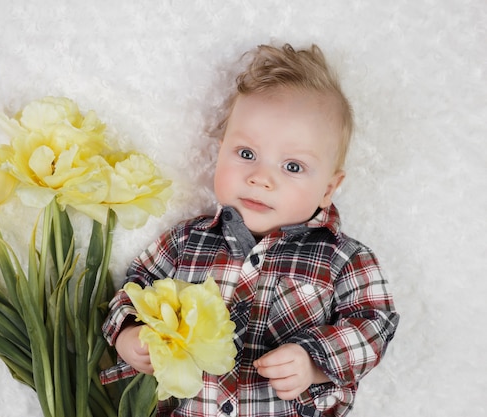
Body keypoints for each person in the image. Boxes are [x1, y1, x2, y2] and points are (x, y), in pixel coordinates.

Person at [101, 43, 399, 417]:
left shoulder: (342, 258)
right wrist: (129, 333)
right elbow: (136, 285)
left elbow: (376, 323)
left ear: (328, 188)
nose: (260, 178)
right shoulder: (186, 242)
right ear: (220, 150)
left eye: (292, 167)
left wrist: (315, 360)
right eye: (246, 154)